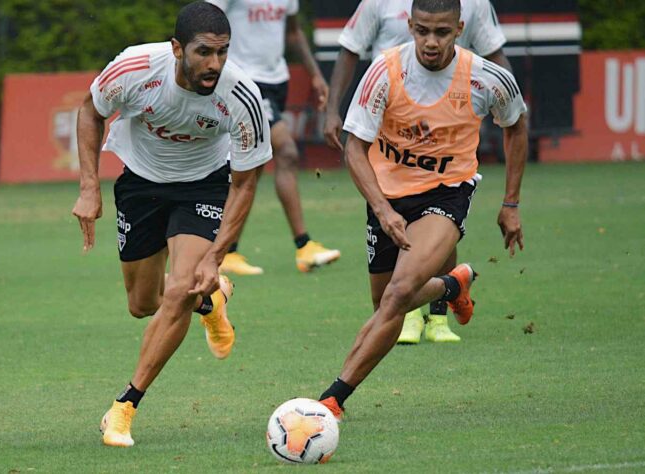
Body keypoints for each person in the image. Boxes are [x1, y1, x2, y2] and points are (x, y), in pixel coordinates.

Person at [71, 2, 272, 447]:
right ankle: (211, 301)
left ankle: (124, 408)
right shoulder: (137, 68)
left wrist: (217, 254)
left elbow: (245, 183)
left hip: (203, 187)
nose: (214, 64)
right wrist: (89, 187)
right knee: (143, 304)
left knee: (180, 287)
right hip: (140, 183)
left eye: (222, 52)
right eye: (203, 52)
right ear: (177, 47)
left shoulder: (241, 96)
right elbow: (90, 111)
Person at [317, 0, 527, 420]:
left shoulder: (486, 79)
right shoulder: (384, 71)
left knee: (397, 296)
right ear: (410, 25)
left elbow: (517, 126)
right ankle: (452, 286)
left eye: (443, 32)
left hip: (446, 194)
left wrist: (510, 203)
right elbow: (355, 149)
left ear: (460, 29)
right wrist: (382, 208)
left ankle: (332, 398)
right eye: (424, 31)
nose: (432, 42)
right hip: (388, 197)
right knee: (387, 303)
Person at [206, 0, 341, 275]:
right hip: (245, 81)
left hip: (277, 81)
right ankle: (304, 245)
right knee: (287, 151)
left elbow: (293, 32)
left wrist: (315, 75)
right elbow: (205, 22)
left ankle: (227, 251)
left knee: (251, 168)